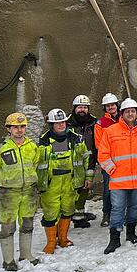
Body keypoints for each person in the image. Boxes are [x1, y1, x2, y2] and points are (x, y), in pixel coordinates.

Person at [98, 98, 137, 254]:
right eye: (127, 111)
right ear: (122, 113)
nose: (130, 114)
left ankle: (131, 233)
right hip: (118, 180)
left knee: (134, 207)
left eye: (133, 111)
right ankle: (114, 239)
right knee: (117, 209)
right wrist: (112, 170)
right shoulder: (111, 131)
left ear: (136, 113)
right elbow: (103, 154)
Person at [37, 108, 89, 254]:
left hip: (70, 181)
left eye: (63, 122)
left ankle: (63, 238)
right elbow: (36, 163)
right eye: (57, 123)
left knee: (68, 209)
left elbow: (85, 158)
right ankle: (51, 242)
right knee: (50, 213)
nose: (61, 125)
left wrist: (87, 177)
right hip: (50, 183)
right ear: (51, 124)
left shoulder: (76, 138)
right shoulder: (43, 141)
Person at [0, 112, 40, 271]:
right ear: (9, 129)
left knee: (27, 224)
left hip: (28, 192)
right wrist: (6, 182)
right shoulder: (1, 149)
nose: (19, 130)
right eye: (15, 127)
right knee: (7, 227)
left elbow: (35, 164)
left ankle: (26, 255)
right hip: (8, 194)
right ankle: (8, 261)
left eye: (22, 127)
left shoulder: (32, 146)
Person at [67, 94, 97, 228]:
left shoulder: (94, 122)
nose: (82, 110)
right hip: (70, 162)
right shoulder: (66, 123)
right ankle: (69, 215)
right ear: (74, 108)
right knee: (70, 190)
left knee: (85, 187)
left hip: (89, 158)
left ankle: (79, 215)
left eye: (85, 107)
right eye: (79, 107)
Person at [94, 93, 120, 227]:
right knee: (108, 189)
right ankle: (107, 214)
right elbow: (99, 145)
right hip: (108, 161)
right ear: (105, 108)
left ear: (117, 105)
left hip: (123, 160)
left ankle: (122, 213)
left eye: (112, 105)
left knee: (124, 188)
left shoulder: (124, 118)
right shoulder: (100, 123)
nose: (111, 107)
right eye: (108, 106)